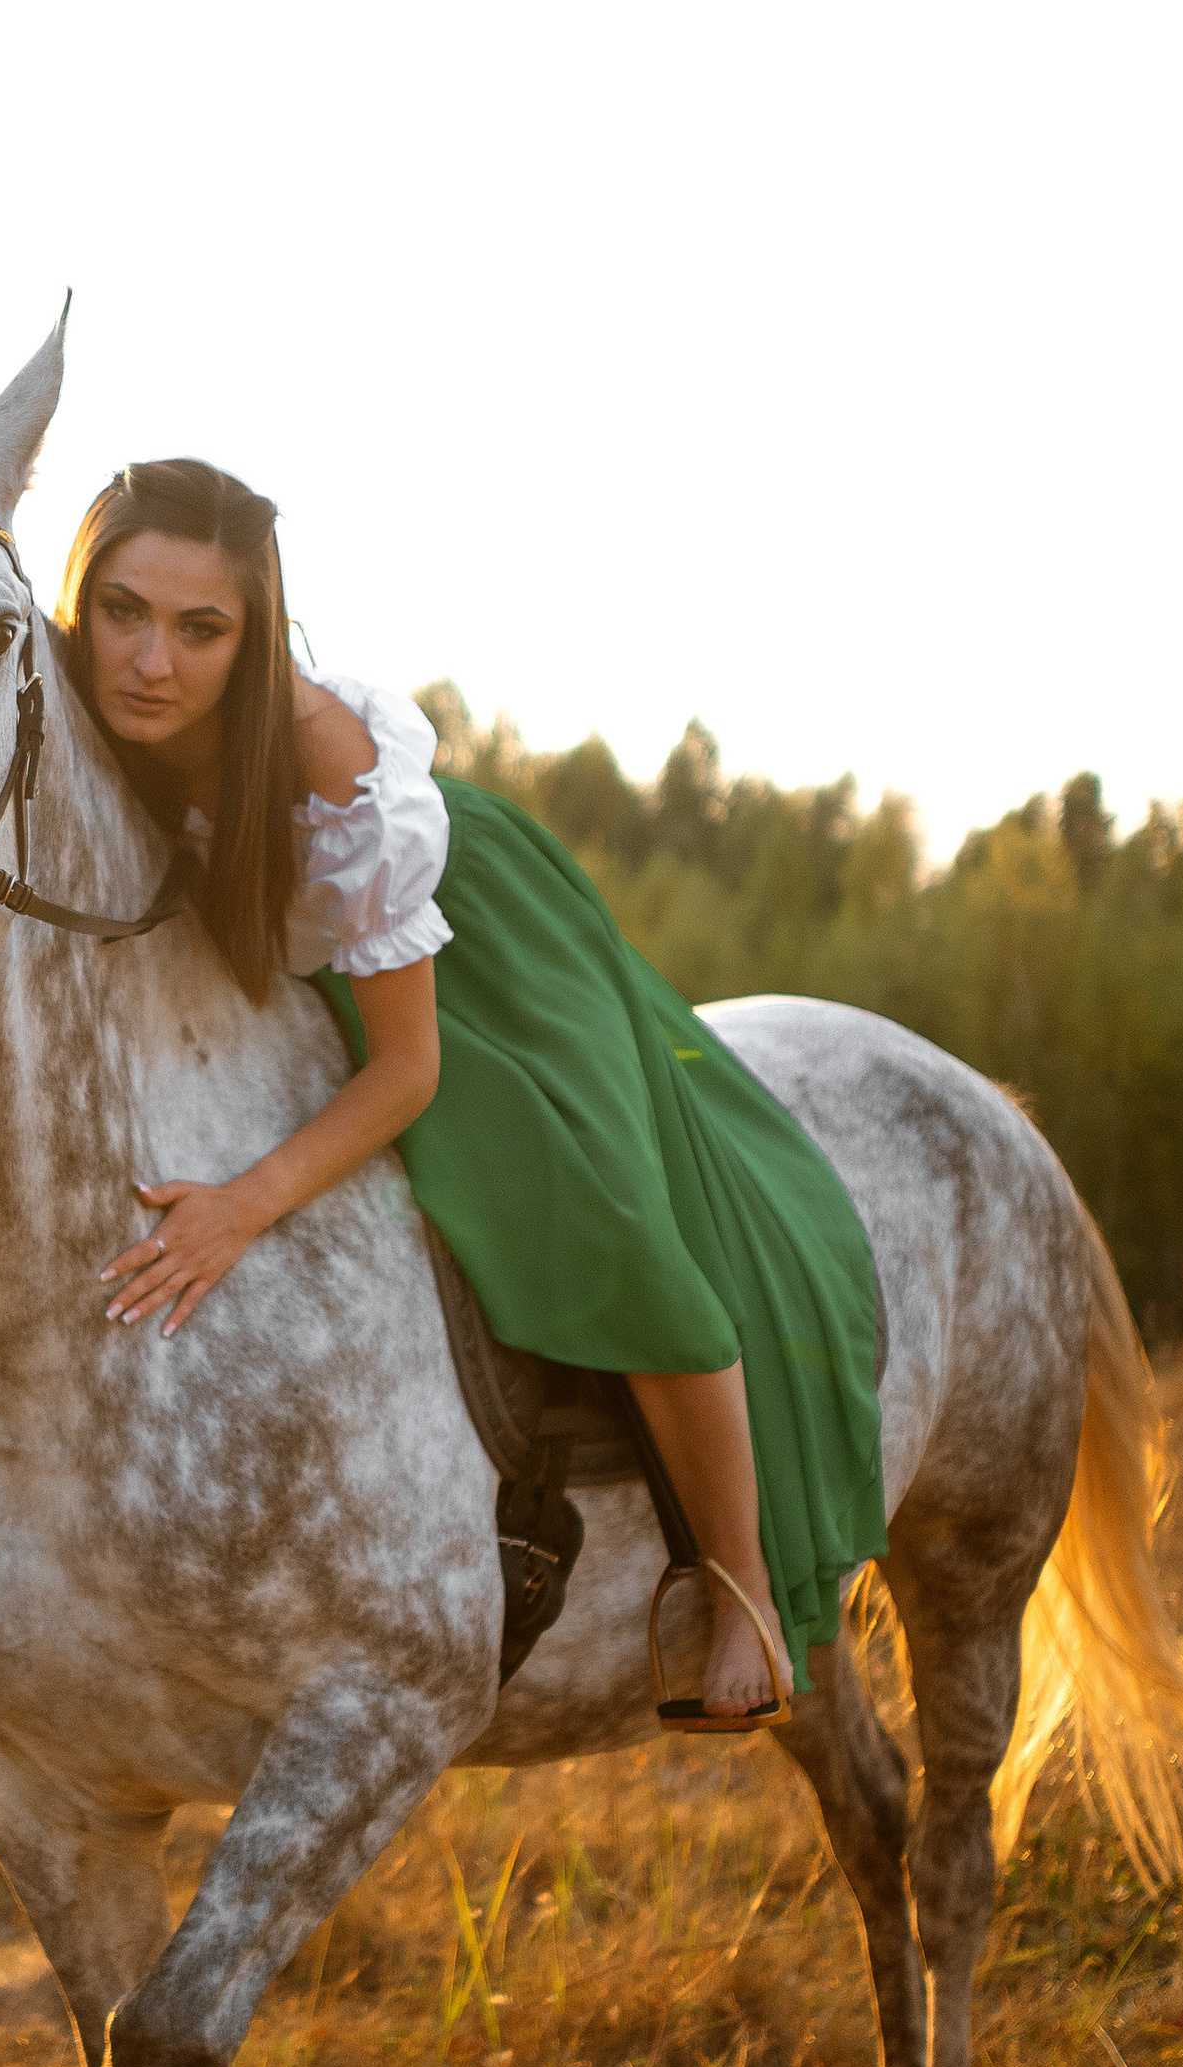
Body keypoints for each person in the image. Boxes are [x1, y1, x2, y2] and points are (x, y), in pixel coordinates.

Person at [51, 455, 889, 1730]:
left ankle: (742, 1587)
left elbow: (409, 1069)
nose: (151, 662)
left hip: (470, 951)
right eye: (123, 612)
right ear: (81, 599)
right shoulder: (65, 699)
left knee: (594, 1222)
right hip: (278, 963)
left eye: (200, 628)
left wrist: (239, 1207)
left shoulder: (326, 759)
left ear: (252, 635)